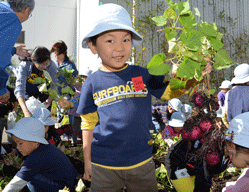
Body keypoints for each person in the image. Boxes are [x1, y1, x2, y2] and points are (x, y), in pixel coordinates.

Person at [76, 3, 211, 191]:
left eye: (126, 40)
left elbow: (169, 92)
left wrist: (195, 73)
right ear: (93, 46)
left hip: (142, 162)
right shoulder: (92, 83)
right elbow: (88, 124)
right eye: (110, 41)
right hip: (104, 165)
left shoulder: (142, 75)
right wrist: (87, 162)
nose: (119, 48)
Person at [166, 112, 249, 192]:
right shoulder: (211, 154)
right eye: (248, 162)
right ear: (231, 146)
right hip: (178, 163)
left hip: (195, 164)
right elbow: (203, 182)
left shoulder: (228, 148)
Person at [3, 117, 78, 191]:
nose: (18, 147)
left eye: (20, 143)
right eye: (16, 144)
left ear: (35, 141)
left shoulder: (37, 156)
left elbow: (15, 184)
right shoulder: (45, 147)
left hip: (62, 188)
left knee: (30, 176)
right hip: (70, 183)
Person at [0, 0, 35, 103]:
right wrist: (2, 88)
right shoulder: (13, 20)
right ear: (26, 10)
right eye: (30, 14)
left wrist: (12, 50)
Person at [14, 46, 57, 117]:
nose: (45, 67)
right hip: (29, 91)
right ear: (33, 60)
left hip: (45, 91)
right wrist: (25, 111)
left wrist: (49, 100)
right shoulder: (25, 65)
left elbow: (54, 85)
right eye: (42, 65)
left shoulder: (51, 66)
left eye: (46, 63)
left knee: (45, 116)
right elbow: (19, 89)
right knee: (30, 115)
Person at [50, 40, 78, 123]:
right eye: (55, 53)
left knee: (64, 120)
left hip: (65, 96)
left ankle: (66, 135)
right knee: (55, 119)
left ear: (64, 53)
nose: (56, 56)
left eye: (58, 54)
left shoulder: (70, 65)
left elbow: (75, 82)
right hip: (55, 96)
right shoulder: (54, 64)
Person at [0, 86, 18, 155]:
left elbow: (15, 100)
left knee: (10, 133)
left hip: (9, 116)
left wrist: (14, 109)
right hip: (1, 117)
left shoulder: (9, 89)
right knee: (2, 134)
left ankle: (12, 150)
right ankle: (5, 151)